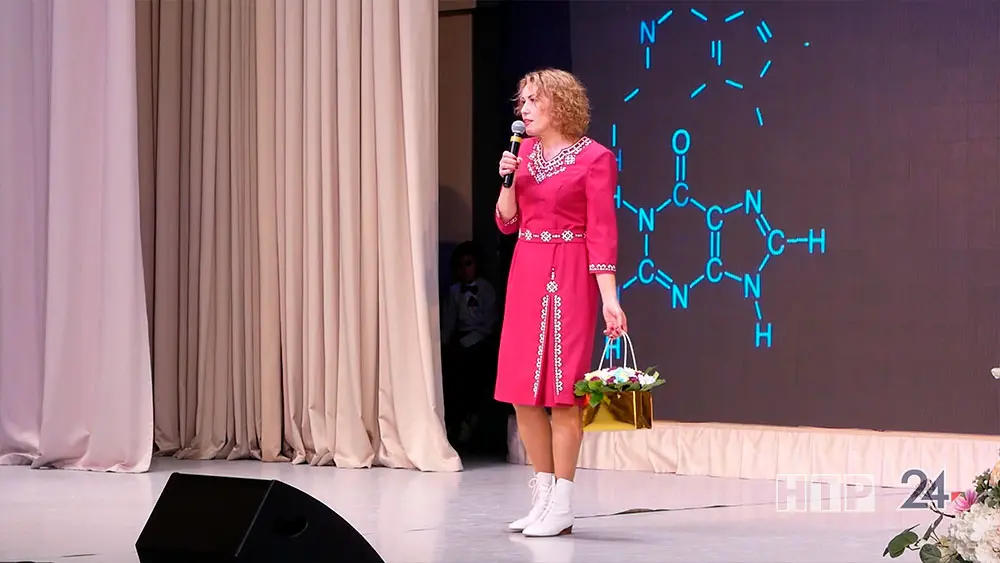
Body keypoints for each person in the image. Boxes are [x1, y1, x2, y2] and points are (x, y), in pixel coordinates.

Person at [493, 68, 627, 537]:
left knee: (563, 392)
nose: (524, 109)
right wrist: (508, 180)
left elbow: (602, 232)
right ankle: (543, 497)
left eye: (534, 100)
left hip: (570, 272)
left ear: (560, 104)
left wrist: (609, 299)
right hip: (527, 268)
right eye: (522, 101)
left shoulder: (595, 158)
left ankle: (564, 504)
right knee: (521, 391)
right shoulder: (523, 154)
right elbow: (506, 222)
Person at [440, 242, 500, 449]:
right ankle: (457, 422)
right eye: (460, 265)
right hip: (460, 343)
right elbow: (449, 320)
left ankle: (472, 420)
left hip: (482, 342)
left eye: (469, 264)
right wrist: (445, 344)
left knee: (479, 371)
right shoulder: (454, 291)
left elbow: (490, 322)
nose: (465, 270)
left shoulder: (486, 289)